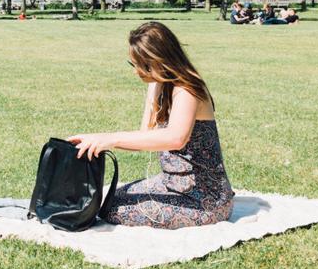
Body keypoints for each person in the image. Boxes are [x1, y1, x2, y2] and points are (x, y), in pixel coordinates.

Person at [68, 21, 234, 229]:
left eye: (140, 64)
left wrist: (111, 138)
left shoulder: (187, 89)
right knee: (108, 200)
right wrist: (154, 84)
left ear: (159, 60)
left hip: (204, 200)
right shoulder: (165, 85)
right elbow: (145, 133)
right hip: (171, 184)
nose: (136, 71)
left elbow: (176, 138)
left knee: (111, 210)